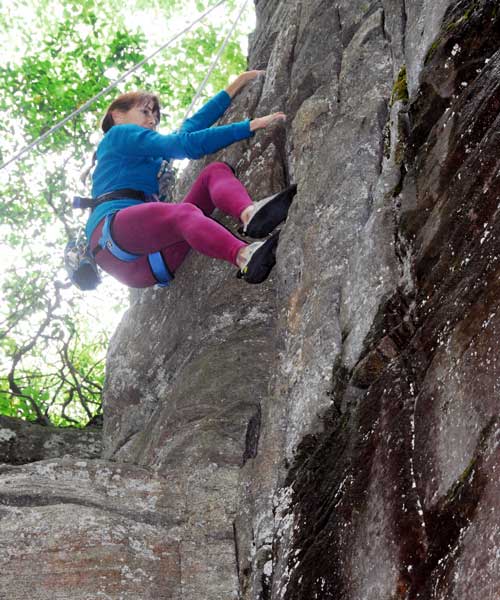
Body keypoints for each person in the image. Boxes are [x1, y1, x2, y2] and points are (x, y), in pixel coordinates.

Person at [85, 70, 297, 288]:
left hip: (151, 264)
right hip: (113, 236)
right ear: (117, 116)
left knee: (214, 172)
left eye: (155, 118)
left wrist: (239, 82)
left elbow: (193, 126)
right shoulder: (118, 136)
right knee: (184, 212)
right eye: (145, 112)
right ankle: (244, 256)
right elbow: (184, 145)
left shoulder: (150, 154)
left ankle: (249, 214)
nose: (152, 120)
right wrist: (248, 126)